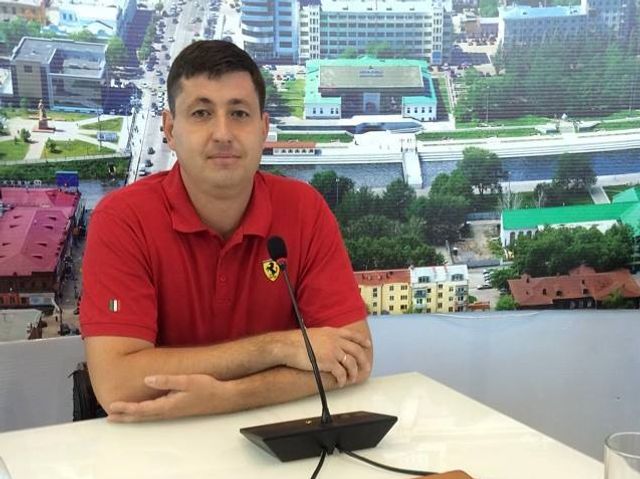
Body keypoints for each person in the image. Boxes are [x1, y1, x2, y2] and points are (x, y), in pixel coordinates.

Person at [80, 40, 372, 423]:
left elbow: (354, 359)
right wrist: (278, 348)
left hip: (277, 433)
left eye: (239, 113)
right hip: (158, 438)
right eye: (201, 113)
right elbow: (117, 384)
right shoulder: (122, 220)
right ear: (170, 129)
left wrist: (229, 397)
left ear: (263, 129)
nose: (222, 133)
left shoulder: (304, 209)